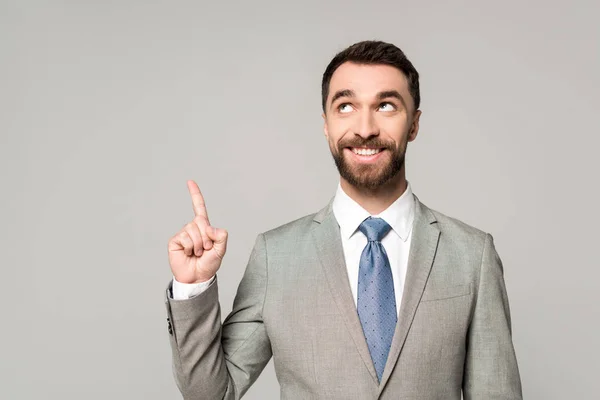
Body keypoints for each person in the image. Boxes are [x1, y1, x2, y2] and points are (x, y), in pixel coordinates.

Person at [163, 40, 523, 399]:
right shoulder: (276, 255)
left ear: (414, 124)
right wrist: (193, 287)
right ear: (326, 124)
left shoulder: (471, 255)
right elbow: (211, 394)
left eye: (385, 105)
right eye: (346, 106)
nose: (365, 128)